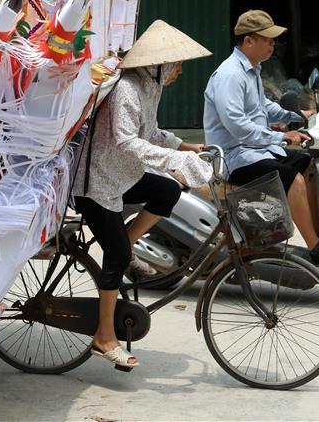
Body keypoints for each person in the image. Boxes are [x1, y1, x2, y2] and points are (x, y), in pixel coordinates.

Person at [72, 20, 213, 370]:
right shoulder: (126, 90)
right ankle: (104, 338)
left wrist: (185, 145)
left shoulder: (151, 87)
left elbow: (149, 131)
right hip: (97, 182)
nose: (179, 71)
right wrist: (174, 159)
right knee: (116, 255)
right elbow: (126, 140)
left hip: (123, 174)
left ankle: (125, 243)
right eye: (176, 64)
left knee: (167, 191)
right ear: (157, 64)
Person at [203, 9, 319, 265]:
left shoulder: (251, 69)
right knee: (294, 180)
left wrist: (297, 114)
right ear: (249, 41)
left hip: (255, 151)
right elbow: (238, 126)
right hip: (235, 158)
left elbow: (262, 108)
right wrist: (281, 138)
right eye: (268, 39)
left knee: (309, 166)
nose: (273, 45)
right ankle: (315, 248)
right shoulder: (230, 75)